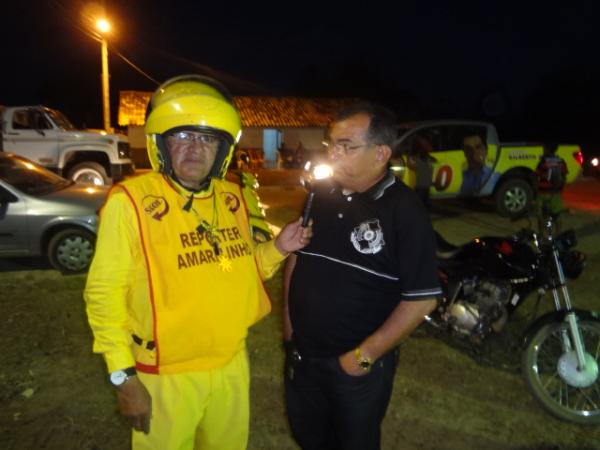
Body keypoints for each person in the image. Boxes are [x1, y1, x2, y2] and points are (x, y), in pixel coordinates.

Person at [84, 75, 311, 450]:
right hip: (165, 374)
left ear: (222, 150)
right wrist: (123, 377)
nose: (195, 148)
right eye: (183, 136)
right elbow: (103, 294)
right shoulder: (131, 202)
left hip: (230, 365)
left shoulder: (232, 198)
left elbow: (239, 269)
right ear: (161, 143)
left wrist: (279, 248)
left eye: (207, 138)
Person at [283, 101, 441, 450]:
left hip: (354, 368)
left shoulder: (404, 209)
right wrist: (289, 330)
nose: (333, 154)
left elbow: (421, 298)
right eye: (331, 144)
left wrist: (362, 358)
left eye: (346, 146)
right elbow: (297, 258)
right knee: (309, 436)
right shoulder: (320, 195)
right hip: (303, 356)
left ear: (381, 153)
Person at [458, 130, 498, 196]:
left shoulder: (496, 177)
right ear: (464, 152)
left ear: (486, 150)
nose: (474, 153)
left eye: (478, 147)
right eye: (468, 149)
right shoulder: (460, 178)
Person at [535, 142, 568, 217]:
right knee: (557, 216)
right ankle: (556, 228)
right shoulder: (561, 161)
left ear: (547, 149)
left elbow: (536, 175)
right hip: (555, 193)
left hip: (543, 193)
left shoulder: (543, 162)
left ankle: (545, 228)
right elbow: (564, 177)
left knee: (542, 216)